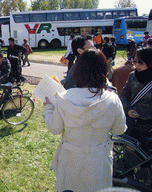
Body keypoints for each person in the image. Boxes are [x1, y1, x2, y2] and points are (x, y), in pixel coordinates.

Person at [43, 49, 127, 192]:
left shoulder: (64, 97)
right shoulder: (112, 99)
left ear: (79, 70)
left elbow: (55, 128)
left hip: (71, 159)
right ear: (103, 70)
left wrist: (48, 108)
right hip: (98, 160)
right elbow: (119, 130)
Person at [120, 47, 152, 153]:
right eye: (135, 61)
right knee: (129, 156)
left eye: (141, 62)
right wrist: (128, 109)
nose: (136, 65)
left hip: (148, 126)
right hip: (131, 123)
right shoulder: (132, 76)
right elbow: (124, 95)